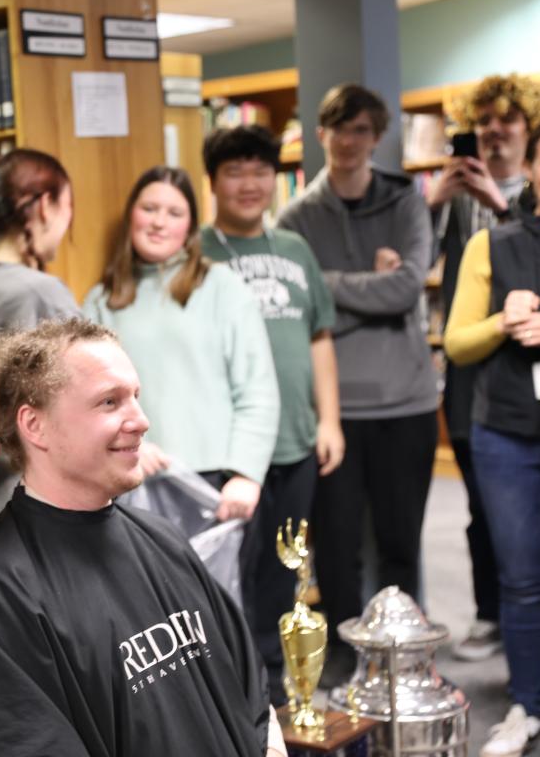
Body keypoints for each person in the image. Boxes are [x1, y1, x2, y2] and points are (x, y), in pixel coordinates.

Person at [0, 318, 286, 757]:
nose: (141, 421)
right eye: (109, 402)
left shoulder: (164, 540)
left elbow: (251, 693)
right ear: (35, 425)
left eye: (135, 397)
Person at [277, 83, 439, 686]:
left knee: (401, 538)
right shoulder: (294, 219)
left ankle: (404, 644)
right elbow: (299, 309)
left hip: (408, 401)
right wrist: (368, 288)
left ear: (377, 138)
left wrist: (327, 285)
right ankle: (346, 649)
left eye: (362, 131)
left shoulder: (405, 204)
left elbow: (407, 288)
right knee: (337, 546)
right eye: (339, 129)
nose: (350, 142)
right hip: (335, 409)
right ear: (320, 135)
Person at [446, 117, 540, 757]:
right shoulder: (492, 244)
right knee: (524, 581)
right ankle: (525, 704)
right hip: (506, 440)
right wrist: (503, 319)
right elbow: (456, 343)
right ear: (530, 168)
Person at [198, 124, 342, 705]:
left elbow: (320, 338)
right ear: (213, 182)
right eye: (235, 171)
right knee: (230, 573)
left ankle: (276, 687)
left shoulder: (294, 250)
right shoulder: (197, 254)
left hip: (297, 443)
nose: (251, 183)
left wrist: (329, 419)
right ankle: (234, 689)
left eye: (261, 170)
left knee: (286, 573)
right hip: (230, 451)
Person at [427, 73, 540, 661]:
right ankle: (488, 612)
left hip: (530, 365)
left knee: (535, 499)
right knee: (482, 500)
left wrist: (498, 207)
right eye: (484, 125)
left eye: (507, 124)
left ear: (528, 130)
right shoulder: (451, 197)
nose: (495, 134)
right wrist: (434, 205)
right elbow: (420, 264)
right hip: (468, 362)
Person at [84, 166, 279, 523]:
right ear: (131, 215)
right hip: (127, 478)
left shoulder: (222, 288)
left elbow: (258, 390)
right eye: (149, 209)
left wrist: (246, 475)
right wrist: (124, 448)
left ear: (189, 228)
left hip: (215, 485)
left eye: (174, 213)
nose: (159, 222)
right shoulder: (100, 300)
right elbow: (87, 399)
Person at [0, 148, 80, 530]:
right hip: (48, 509)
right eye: (67, 208)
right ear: (45, 207)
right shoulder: (39, 292)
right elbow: (92, 396)